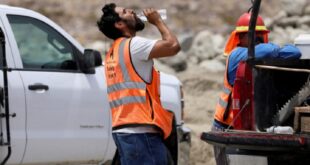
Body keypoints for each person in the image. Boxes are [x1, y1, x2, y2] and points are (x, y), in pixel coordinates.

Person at [212, 12, 301, 165]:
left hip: (249, 126)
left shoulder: (262, 53)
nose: (257, 38)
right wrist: (274, 48)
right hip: (226, 128)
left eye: (260, 34)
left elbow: (296, 53)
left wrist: (273, 49)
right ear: (241, 37)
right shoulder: (237, 55)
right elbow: (264, 51)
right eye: (254, 34)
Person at [97, 3, 180, 165]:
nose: (133, 12)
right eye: (126, 12)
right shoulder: (133, 45)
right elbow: (173, 46)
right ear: (119, 24)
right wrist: (157, 22)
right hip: (142, 135)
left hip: (124, 132)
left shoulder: (113, 52)